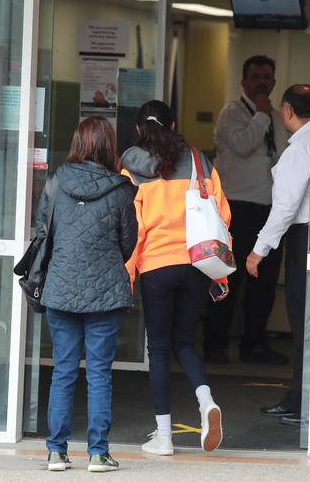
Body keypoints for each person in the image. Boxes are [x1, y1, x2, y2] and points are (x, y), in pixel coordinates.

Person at [122, 100, 229, 456]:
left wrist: (128, 276)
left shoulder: (132, 167)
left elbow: (132, 230)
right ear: (172, 125)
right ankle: (205, 400)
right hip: (196, 264)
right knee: (184, 342)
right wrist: (221, 272)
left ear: (139, 130)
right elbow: (222, 216)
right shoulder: (200, 161)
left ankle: (164, 436)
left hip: (156, 266)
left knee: (159, 348)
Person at [37, 116, 137, 472]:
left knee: (63, 370)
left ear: (78, 143)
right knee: (98, 372)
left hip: (60, 287)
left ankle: (56, 451)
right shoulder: (122, 189)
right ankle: (98, 452)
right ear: (110, 146)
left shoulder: (55, 181)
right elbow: (128, 244)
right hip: (105, 292)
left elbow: (42, 232)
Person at [205, 55, 290, 365]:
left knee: (263, 284)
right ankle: (214, 343)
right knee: (228, 277)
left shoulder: (278, 118)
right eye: (255, 77)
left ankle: (254, 344)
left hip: (269, 210)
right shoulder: (233, 114)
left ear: (274, 81)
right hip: (236, 209)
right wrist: (263, 116)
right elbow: (242, 146)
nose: (261, 83)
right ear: (244, 82)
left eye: (267, 77)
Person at [245, 85, 310, 427]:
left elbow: (285, 207)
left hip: (304, 240)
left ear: (287, 111)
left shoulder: (300, 148)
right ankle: (302, 399)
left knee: (304, 326)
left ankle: (301, 403)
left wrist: (259, 251)